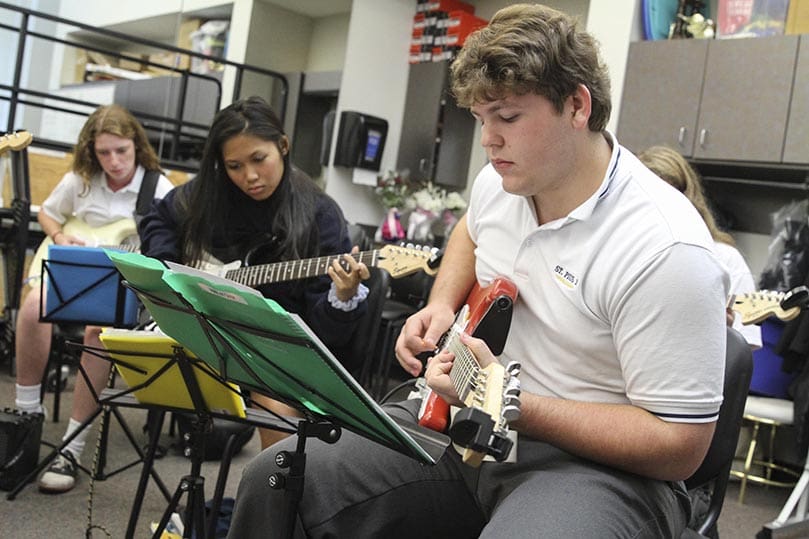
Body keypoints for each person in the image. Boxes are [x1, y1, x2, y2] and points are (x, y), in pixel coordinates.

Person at [227, 5, 728, 538]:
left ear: (577, 105)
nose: (489, 140)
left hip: (595, 468)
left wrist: (512, 405)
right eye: (480, 119)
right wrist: (442, 304)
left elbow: (680, 447)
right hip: (466, 425)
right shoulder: (503, 181)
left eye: (508, 118)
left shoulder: (665, 249)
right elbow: (471, 229)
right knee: (277, 478)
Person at [138, 96, 370, 450]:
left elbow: (326, 337)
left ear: (283, 146)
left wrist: (342, 296)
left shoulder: (320, 213)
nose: (249, 176)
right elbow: (160, 218)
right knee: (143, 354)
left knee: (274, 407)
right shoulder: (212, 192)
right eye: (234, 166)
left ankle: (270, 501)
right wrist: (168, 271)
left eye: (259, 159)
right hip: (212, 330)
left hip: (274, 350)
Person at [14, 104, 175, 493]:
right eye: (104, 152)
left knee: (97, 330)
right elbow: (49, 215)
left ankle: (72, 445)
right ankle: (26, 414)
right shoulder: (80, 179)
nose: (114, 161)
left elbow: (169, 247)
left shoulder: (159, 188)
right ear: (92, 151)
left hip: (121, 282)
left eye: (122, 150)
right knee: (32, 308)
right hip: (70, 266)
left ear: (137, 145)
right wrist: (59, 236)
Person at [638, 145, 762, 349]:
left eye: (669, 195)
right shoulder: (622, 251)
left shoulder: (724, 258)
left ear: (688, 198)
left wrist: (722, 333)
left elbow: (743, 348)